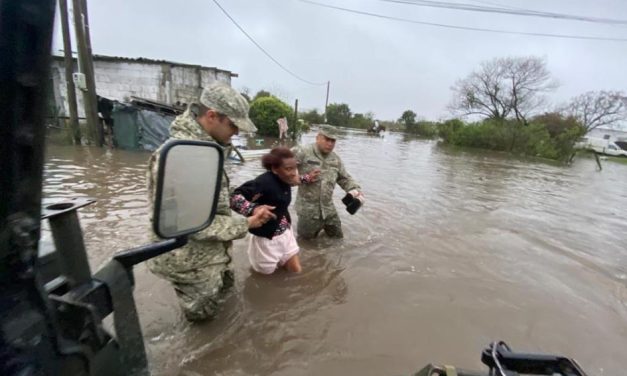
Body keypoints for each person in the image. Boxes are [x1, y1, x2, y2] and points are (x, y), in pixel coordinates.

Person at [146, 83, 276, 322]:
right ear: (212, 116)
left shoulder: (206, 150)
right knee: (205, 326)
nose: (236, 132)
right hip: (190, 264)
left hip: (213, 255)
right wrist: (247, 223)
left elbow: (214, 204)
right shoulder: (183, 157)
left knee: (224, 314)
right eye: (233, 125)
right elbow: (192, 224)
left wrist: (249, 210)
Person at [230, 147, 304, 274]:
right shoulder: (263, 182)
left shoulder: (285, 178)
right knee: (264, 278)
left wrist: (307, 178)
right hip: (266, 240)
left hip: (286, 232)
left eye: (295, 168)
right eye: (288, 169)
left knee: (296, 272)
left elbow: (294, 180)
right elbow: (234, 198)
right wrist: (253, 209)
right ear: (274, 169)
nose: (293, 173)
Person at [292, 125, 364, 239]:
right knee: (305, 244)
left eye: (333, 140)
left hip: (329, 210)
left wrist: (355, 189)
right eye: (327, 139)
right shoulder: (303, 152)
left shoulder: (335, 159)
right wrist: (304, 178)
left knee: (338, 240)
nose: (330, 143)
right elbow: (281, 171)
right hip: (308, 213)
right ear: (318, 138)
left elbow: (344, 178)